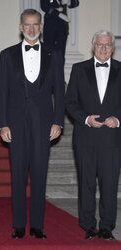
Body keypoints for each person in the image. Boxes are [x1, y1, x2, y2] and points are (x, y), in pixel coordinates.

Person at [0, 9, 65, 239]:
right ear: (20, 27)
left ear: (42, 27)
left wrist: (58, 121)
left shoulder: (53, 54)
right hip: (15, 124)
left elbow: (60, 91)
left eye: (36, 24)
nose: (32, 29)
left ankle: (36, 225)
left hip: (44, 123)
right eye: (27, 24)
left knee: (39, 174)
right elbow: (2, 93)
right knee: (17, 175)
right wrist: (2, 124)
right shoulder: (6, 55)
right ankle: (18, 225)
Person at [66, 30, 121, 240]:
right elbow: (70, 101)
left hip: (112, 138)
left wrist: (117, 119)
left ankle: (107, 226)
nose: (104, 49)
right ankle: (88, 225)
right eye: (100, 45)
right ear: (93, 46)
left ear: (113, 48)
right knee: (86, 183)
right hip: (85, 136)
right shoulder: (79, 69)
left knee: (109, 184)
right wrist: (86, 118)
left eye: (108, 45)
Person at [41, 0, 79, 65]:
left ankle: (60, 74)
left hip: (62, 28)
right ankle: (48, 74)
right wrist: (58, 14)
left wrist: (69, 2)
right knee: (48, 54)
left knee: (61, 56)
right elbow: (44, 6)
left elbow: (76, 2)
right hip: (50, 28)